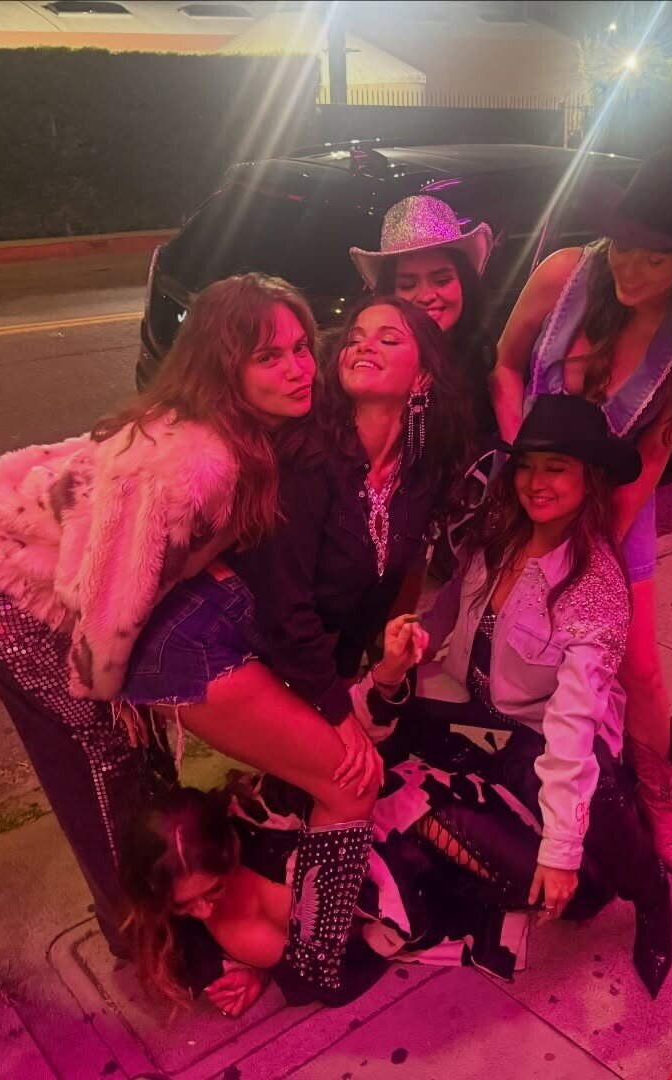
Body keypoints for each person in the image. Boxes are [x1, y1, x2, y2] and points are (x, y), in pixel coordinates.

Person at [0, 273, 319, 957]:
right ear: (223, 369)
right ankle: (154, 949)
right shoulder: (189, 464)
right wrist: (112, 696)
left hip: (43, 545)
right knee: (105, 755)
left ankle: (180, 904)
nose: (298, 368)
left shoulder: (248, 432)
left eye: (302, 347)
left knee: (134, 753)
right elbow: (110, 605)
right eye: (269, 356)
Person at [114, 294, 474, 997]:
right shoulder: (309, 458)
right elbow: (288, 609)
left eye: (389, 338)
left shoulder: (417, 473)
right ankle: (314, 967)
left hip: (257, 639)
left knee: (336, 777)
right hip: (198, 640)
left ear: (424, 376)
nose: (362, 345)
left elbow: (378, 590)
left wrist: (376, 670)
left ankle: (288, 942)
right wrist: (339, 714)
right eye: (356, 335)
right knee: (350, 780)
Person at [491, 148, 672, 882]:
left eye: (652, 259)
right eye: (621, 248)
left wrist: (586, 543)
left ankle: (658, 800)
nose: (627, 271)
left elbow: (655, 454)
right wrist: (522, 468)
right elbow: (504, 365)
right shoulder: (563, 276)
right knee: (491, 630)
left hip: (616, 503)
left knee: (637, 663)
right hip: (519, 486)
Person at [358, 394, 672, 997]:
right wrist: (411, 644)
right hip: (479, 717)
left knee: (581, 833)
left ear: (590, 478)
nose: (535, 482)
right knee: (377, 756)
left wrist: (560, 851)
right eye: (526, 465)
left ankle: (650, 890)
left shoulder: (595, 584)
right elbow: (450, 607)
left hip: (541, 738)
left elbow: (571, 726)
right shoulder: (496, 534)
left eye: (556, 467)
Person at [118, 774, 532, 1014]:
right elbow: (321, 973)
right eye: (183, 905)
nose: (204, 909)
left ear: (229, 850)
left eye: (212, 889)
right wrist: (249, 969)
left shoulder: (281, 823)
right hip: (422, 905)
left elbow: (352, 782)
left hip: (415, 835)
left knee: (544, 881)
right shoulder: (182, 920)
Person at [351, 194, 498, 439]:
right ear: (389, 293)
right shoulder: (368, 365)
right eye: (408, 285)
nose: (427, 296)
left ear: (464, 284)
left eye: (441, 280)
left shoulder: (486, 361)